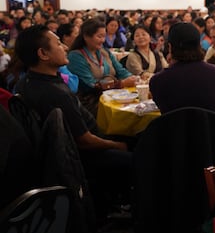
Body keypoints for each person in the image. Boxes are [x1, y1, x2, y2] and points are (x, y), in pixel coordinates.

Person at [14, 25, 132, 215]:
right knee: (137, 155)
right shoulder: (53, 93)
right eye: (59, 44)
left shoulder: (25, 82)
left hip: (56, 156)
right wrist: (117, 145)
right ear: (43, 54)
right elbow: (84, 140)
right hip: (79, 158)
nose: (65, 47)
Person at [149, 22, 215, 116]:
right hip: (213, 132)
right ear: (199, 45)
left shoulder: (157, 81)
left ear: (170, 47)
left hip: (175, 133)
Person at [67, 18, 137, 115]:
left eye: (104, 36)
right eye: (99, 36)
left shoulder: (104, 52)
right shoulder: (76, 56)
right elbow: (90, 85)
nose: (103, 40)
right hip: (91, 101)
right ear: (86, 36)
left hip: (113, 96)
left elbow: (120, 70)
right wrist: (122, 83)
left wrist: (133, 78)